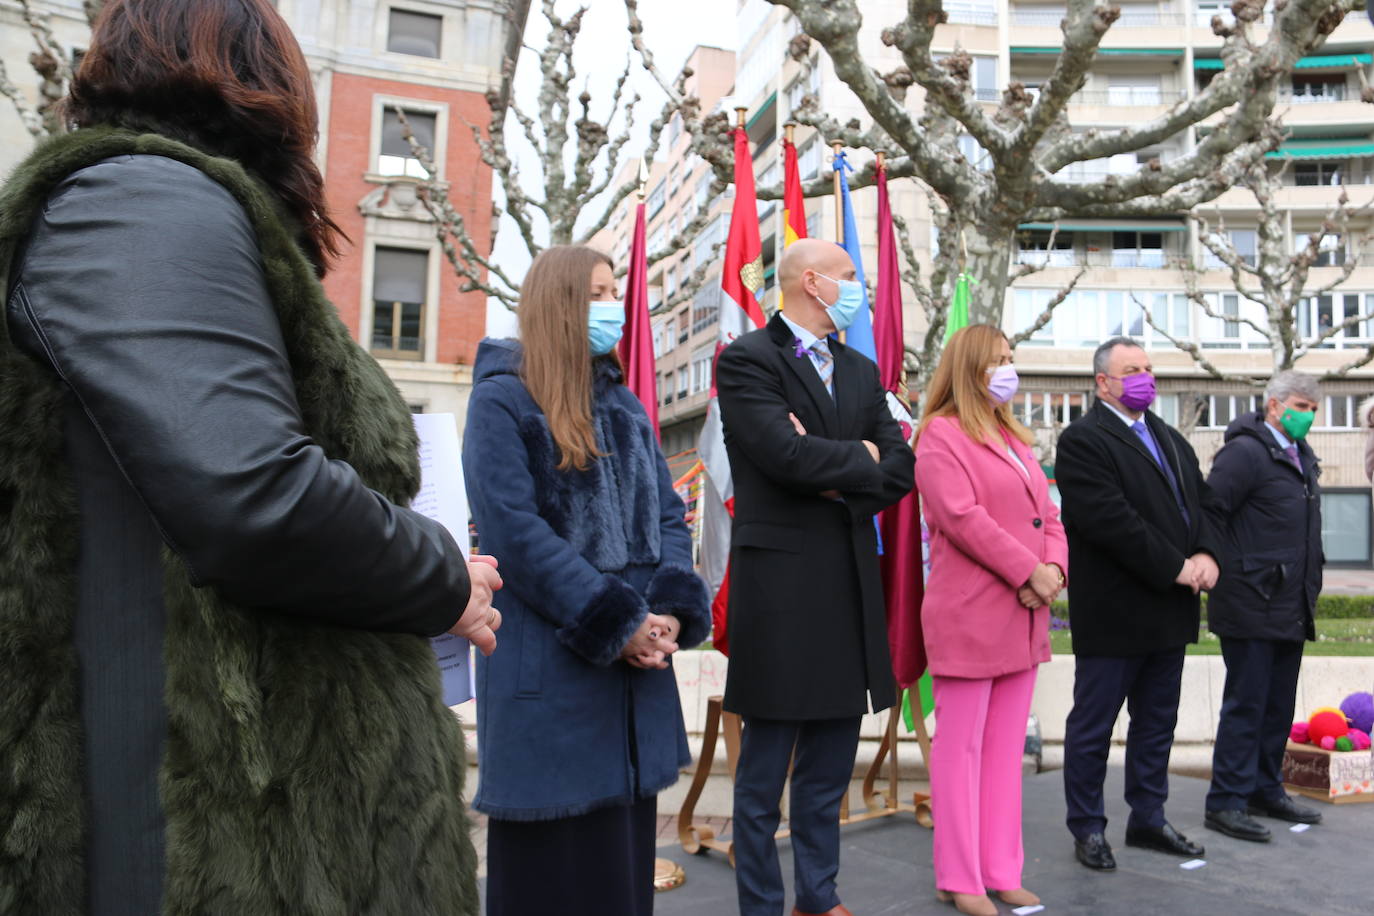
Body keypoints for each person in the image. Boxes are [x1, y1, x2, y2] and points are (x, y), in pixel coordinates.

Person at [0, 2, 501, 913]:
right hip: (209, 836)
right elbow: (255, 496)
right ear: (253, 70)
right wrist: (443, 577)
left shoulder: (162, 205)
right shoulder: (143, 199)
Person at [462, 245, 711, 916]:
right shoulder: (502, 401)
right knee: (552, 881)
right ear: (559, 303)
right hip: (551, 678)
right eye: (598, 292)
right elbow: (515, 535)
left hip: (630, 689)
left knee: (619, 877)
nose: (613, 305)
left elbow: (667, 514)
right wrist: (618, 622)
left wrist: (667, 613)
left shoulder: (625, 403)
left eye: (614, 289)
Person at [716, 238, 914, 916]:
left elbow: (899, 470)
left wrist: (839, 467)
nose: (860, 289)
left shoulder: (861, 370)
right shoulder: (748, 359)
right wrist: (854, 456)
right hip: (780, 594)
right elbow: (782, 455)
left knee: (830, 766)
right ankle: (762, 906)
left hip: (848, 583)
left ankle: (818, 896)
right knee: (763, 774)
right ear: (812, 281)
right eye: (851, 277)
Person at [915, 325, 1067, 916]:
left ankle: (1003, 871)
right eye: (996, 360)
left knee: (1005, 753)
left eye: (1011, 357)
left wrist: (1053, 569)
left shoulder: (1015, 438)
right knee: (962, 753)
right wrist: (1031, 572)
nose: (1008, 368)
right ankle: (959, 877)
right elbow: (961, 517)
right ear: (968, 367)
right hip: (971, 615)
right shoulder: (940, 437)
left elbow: (1049, 516)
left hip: (1023, 615)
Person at [1055, 336, 1219, 872]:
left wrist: (1206, 553)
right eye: (1132, 370)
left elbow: (1202, 503)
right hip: (1116, 611)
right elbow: (1111, 521)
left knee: (1156, 724)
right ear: (1103, 382)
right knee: (1094, 727)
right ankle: (1088, 827)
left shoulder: (1169, 437)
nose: (1145, 377)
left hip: (1170, 612)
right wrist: (1177, 566)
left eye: (1149, 368)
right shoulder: (1083, 440)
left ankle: (1148, 818)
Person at [1203, 371, 1325, 841]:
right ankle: (1227, 800)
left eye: (1314, 409)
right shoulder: (1246, 453)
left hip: (1290, 603)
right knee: (1247, 704)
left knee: (1277, 705)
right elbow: (1212, 513)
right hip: (1251, 600)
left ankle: (1264, 788)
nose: (1308, 416)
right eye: (1301, 406)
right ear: (1274, 406)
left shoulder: (1302, 457)